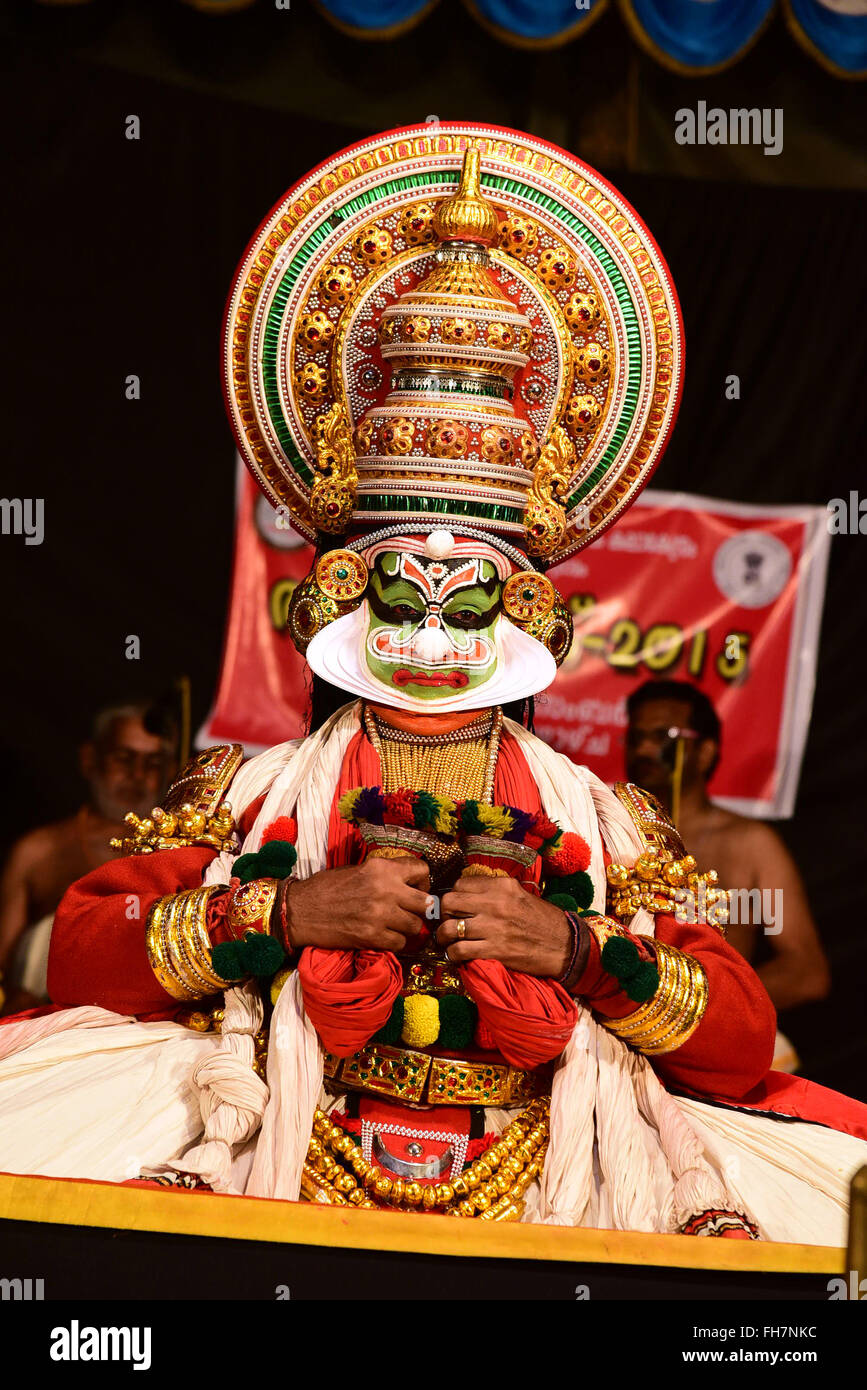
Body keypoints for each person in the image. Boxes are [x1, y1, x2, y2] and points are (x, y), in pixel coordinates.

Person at [0, 129, 864, 1246]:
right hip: (277, 1173)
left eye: (468, 606)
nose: (431, 632)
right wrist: (285, 910)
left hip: (547, 1195)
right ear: (346, 595)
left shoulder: (605, 822)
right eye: (403, 597)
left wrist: (572, 948)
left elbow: (742, 1034)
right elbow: (79, 948)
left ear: (527, 613)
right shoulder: (251, 793)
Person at [624, 679, 830, 1066]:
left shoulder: (751, 844)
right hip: (617, 1038)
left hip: (712, 1044)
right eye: (635, 736)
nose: (644, 749)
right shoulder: (608, 829)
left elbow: (806, 972)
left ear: (704, 752)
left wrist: (702, 1002)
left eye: (663, 736)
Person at [0, 703, 176, 1014]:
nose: (137, 775)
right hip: (46, 1028)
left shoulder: (180, 850)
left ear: (171, 770)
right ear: (90, 760)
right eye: (124, 759)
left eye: (153, 763)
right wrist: (15, 999)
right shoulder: (39, 851)